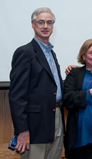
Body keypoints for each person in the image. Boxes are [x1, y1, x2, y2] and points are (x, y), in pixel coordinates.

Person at [9, 7, 64, 159]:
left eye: (49, 22)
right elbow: (16, 96)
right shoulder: (25, 52)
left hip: (56, 117)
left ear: (53, 26)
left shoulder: (52, 53)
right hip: (35, 125)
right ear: (33, 24)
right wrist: (22, 130)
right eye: (41, 22)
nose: (45, 26)